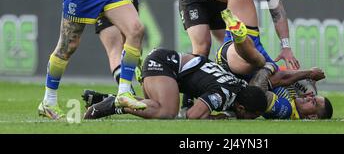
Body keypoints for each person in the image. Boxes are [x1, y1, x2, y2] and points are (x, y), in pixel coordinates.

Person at [83, 48, 268, 120]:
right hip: (165, 64)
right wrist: (219, 118)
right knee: (167, 112)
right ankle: (115, 104)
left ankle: (108, 99)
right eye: (254, 115)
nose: (254, 119)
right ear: (242, 108)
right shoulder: (226, 93)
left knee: (155, 108)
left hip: (169, 65)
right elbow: (193, 116)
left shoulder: (237, 86)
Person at [216, 8, 332, 120]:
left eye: (313, 101)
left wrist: (269, 68)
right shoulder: (294, 97)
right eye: (312, 97)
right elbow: (282, 78)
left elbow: (255, 93)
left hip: (236, 66)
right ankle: (233, 27)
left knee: (261, 62)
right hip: (237, 58)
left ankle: (239, 36)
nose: (309, 97)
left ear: (312, 117)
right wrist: (307, 77)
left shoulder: (285, 109)